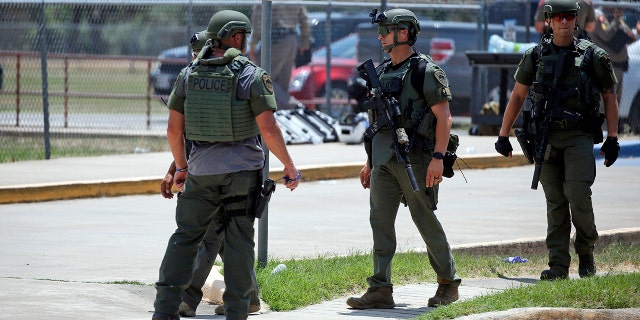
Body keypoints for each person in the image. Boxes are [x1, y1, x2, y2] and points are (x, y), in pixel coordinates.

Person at [152, 10, 301, 320]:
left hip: (200, 173)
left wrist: (180, 167)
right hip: (241, 176)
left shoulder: (189, 74)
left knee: (185, 238)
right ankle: (238, 311)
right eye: (244, 36)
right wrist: (289, 165)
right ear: (236, 36)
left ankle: (165, 310)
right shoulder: (250, 75)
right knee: (238, 241)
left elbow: (173, 130)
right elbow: (269, 130)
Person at [495, 0, 620, 281]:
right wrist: (503, 134)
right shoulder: (535, 55)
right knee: (555, 202)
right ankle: (558, 265)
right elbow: (517, 95)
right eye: (558, 17)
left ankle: (586, 252)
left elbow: (609, 96)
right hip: (545, 139)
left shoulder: (592, 56)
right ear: (548, 20)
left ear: (576, 20)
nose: (564, 22)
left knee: (577, 195)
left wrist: (613, 138)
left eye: (569, 17)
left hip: (578, 136)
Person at [346, 8, 461, 310]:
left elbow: (445, 118)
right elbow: (375, 125)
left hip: (418, 160)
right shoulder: (381, 72)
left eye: (387, 29)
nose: (381, 35)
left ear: (405, 33)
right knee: (380, 222)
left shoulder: (426, 71)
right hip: (384, 161)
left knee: (424, 218)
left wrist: (438, 157)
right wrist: (369, 162)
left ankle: (448, 283)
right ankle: (380, 289)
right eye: (381, 30)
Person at [159, 29, 261, 318]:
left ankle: (185, 298)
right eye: (193, 54)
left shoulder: (233, 82)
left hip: (225, 175)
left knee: (207, 237)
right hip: (202, 172)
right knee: (224, 239)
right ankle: (249, 297)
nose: (195, 59)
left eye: (199, 53)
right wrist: (173, 170)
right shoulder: (196, 79)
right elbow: (186, 136)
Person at [249, 3, 311, 109]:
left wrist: (253, 45)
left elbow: (259, 23)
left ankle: (290, 104)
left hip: (274, 40)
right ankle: (282, 112)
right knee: (282, 81)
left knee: (262, 77)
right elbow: (305, 21)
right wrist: (305, 42)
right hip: (292, 39)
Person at [589, 4, 637, 104]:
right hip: (606, 68)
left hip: (619, 68)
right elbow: (606, 34)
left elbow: (630, 36)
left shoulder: (614, 17)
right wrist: (616, 18)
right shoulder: (599, 16)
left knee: (615, 106)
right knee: (605, 107)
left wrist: (619, 20)